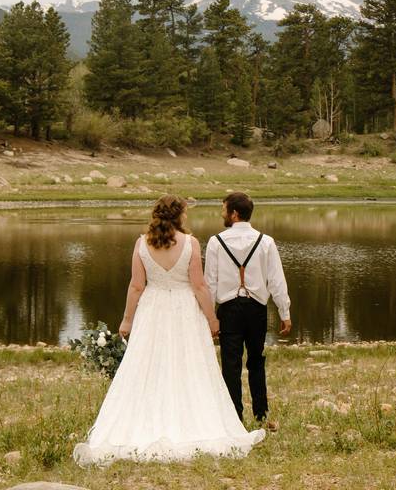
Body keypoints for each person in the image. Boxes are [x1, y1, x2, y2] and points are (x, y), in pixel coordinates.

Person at [73, 195, 265, 466]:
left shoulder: (142, 243)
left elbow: (136, 286)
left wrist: (127, 320)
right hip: (185, 310)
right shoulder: (190, 243)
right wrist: (212, 319)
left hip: (152, 309)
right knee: (190, 364)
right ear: (179, 216)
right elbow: (199, 286)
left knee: (148, 365)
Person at [205, 192, 291, 427]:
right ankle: (261, 413)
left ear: (234, 213)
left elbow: (209, 283)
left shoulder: (216, 242)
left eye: (224, 209)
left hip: (229, 309)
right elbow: (276, 281)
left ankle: (234, 415)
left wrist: (209, 317)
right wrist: (284, 312)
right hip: (256, 309)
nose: (221, 213)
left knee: (230, 364)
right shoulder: (265, 241)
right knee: (256, 360)